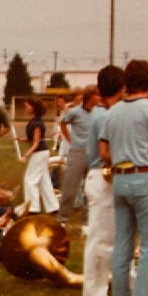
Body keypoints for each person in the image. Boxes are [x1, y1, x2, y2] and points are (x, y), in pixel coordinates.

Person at [98, 59, 148, 296]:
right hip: (143, 175)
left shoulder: (113, 112)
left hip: (120, 179)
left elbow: (104, 151)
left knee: (123, 247)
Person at [81, 66, 125, 296]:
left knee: (105, 236)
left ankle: (99, 288)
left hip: (100, 177)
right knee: (100, 238)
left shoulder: (101, 113)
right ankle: (94, 292)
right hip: (102, 177)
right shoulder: (105, 116)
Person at [58, 86, 100, 224]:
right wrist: (70, 140)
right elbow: (62, 123)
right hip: (77, 152)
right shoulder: (75, 112)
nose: (99, 98)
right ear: (90, 96)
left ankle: (87, 221)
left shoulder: (98, 113)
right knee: (71, 187)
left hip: (93, 153)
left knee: (91, 188)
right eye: (97, 95)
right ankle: (63, 218)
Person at [19, 98, 59, 215]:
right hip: (41, 152)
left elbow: (36, 143)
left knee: (30, 179)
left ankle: (33, 208)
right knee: (43, 179)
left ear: (33, 107)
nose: (26, 108)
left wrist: (26, 155)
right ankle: (53, 206)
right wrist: (21, 139)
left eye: (27, 106)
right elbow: (32, 139)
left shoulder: (37, 124)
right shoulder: (34, 122)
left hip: (40, 153)